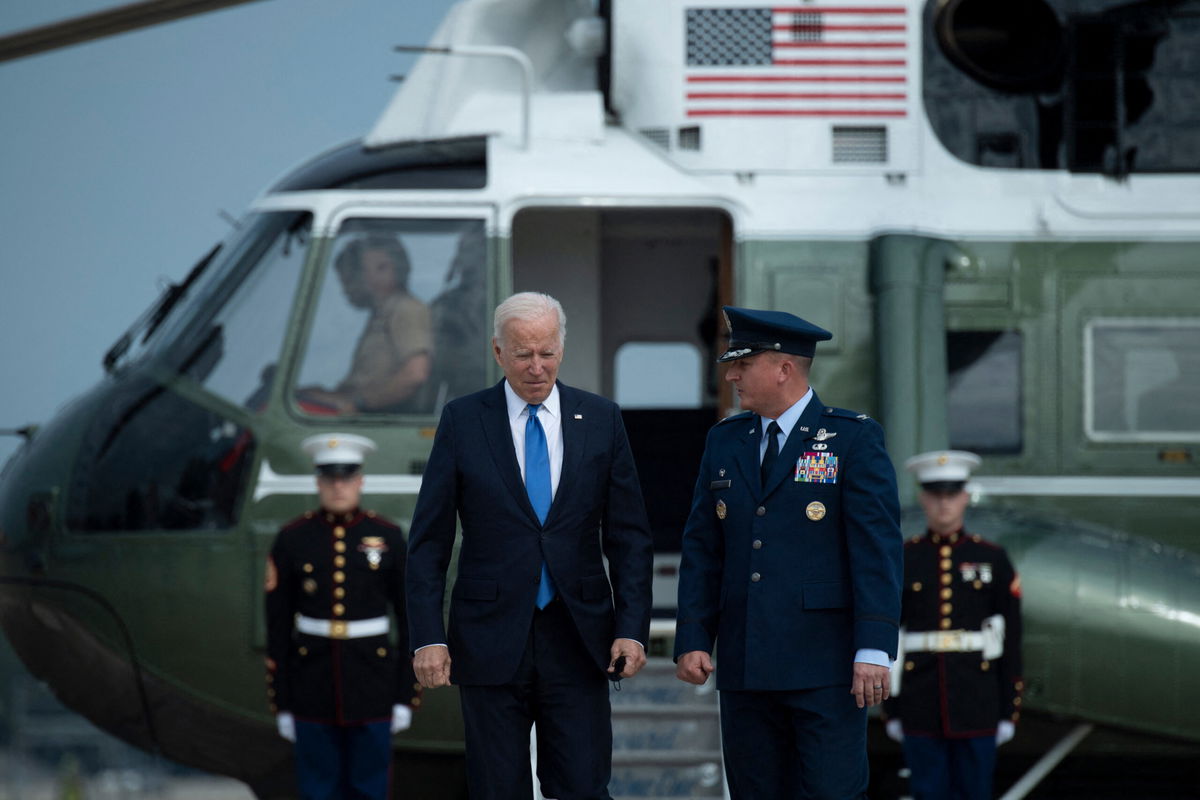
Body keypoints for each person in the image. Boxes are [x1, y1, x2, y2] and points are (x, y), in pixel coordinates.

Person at [405, 291, 654, 800]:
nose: (536, 367)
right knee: (497, 789)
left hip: (578, 638)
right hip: (490, 639)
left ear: (561, 349)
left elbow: (629, 537)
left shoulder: (601, 419)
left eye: (546, 352)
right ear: (498, 352)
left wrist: (632, 629)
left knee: (584, 788)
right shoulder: (463, 420)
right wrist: (428, 636)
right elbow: (429, 540)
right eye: (523, 354)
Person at [674, 306, 904, 799]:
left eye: (743, 363)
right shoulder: (724, 441)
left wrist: (874, 648)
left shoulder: (852, 439)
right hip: (745, 664)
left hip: (825, 666)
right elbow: (703, 549)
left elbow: (877, 551)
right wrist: (694, 634)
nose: (731, 373)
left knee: (831, 793)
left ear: (783, 368)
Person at [264, 432, 421, 800]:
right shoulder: (292, 539)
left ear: (360, 481)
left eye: (347, 478)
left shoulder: (387, 536)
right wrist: (283, 702)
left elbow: (409, 618)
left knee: (370, 788)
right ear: (318, 482)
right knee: (318, 789)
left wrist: (404, 694)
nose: (338, 487)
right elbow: (277, 626)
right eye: (330, 479)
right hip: (311, 686)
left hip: (373, 686)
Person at [882, 450, 1023, 800]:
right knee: (927, 790)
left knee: (975, 791)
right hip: (920, 700)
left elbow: (1011, 638)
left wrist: (1008, 709)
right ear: (922, 498)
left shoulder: (992, 558)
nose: (943, 505)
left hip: (977, 701)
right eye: (935, 495)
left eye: (951, 495)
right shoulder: (905, 557)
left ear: (965, 497)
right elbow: (889, 634)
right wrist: (892, 707)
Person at [300, 235, 433, 414]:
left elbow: (415, 374)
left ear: (385, 268)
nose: (347, 288)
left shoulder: (406, 309)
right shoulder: (381, 314)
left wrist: (360, 403)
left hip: (375, 416)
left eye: (352, 276)